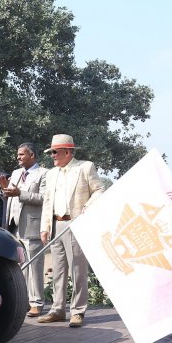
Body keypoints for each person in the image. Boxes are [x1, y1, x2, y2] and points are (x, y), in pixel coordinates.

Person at [38, 134, 104, 328]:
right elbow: (47, 202)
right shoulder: (51, 174)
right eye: (51, 152)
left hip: (76, 223)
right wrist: (45, 227)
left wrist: (89, 206)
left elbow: (99, 189)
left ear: (67, 151)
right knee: (58, 271)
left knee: (77, 269)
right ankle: (57, 310)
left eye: (55, 152)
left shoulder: (85, 167)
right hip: (56, 225)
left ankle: (77, 311)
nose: (52, 155)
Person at [0, 142, 48, 317]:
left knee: (35, 265)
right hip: (13, 226)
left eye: (21, 154)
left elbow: (44, 198)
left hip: (32, 226)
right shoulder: (15, 173)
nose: (18, 157)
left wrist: (20, 193)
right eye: (17, 154)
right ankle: (25, 300)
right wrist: (4, 189)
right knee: (20, 266)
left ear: (32, 155)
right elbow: (8, 194)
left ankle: (37, 302)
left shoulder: (43, 173)